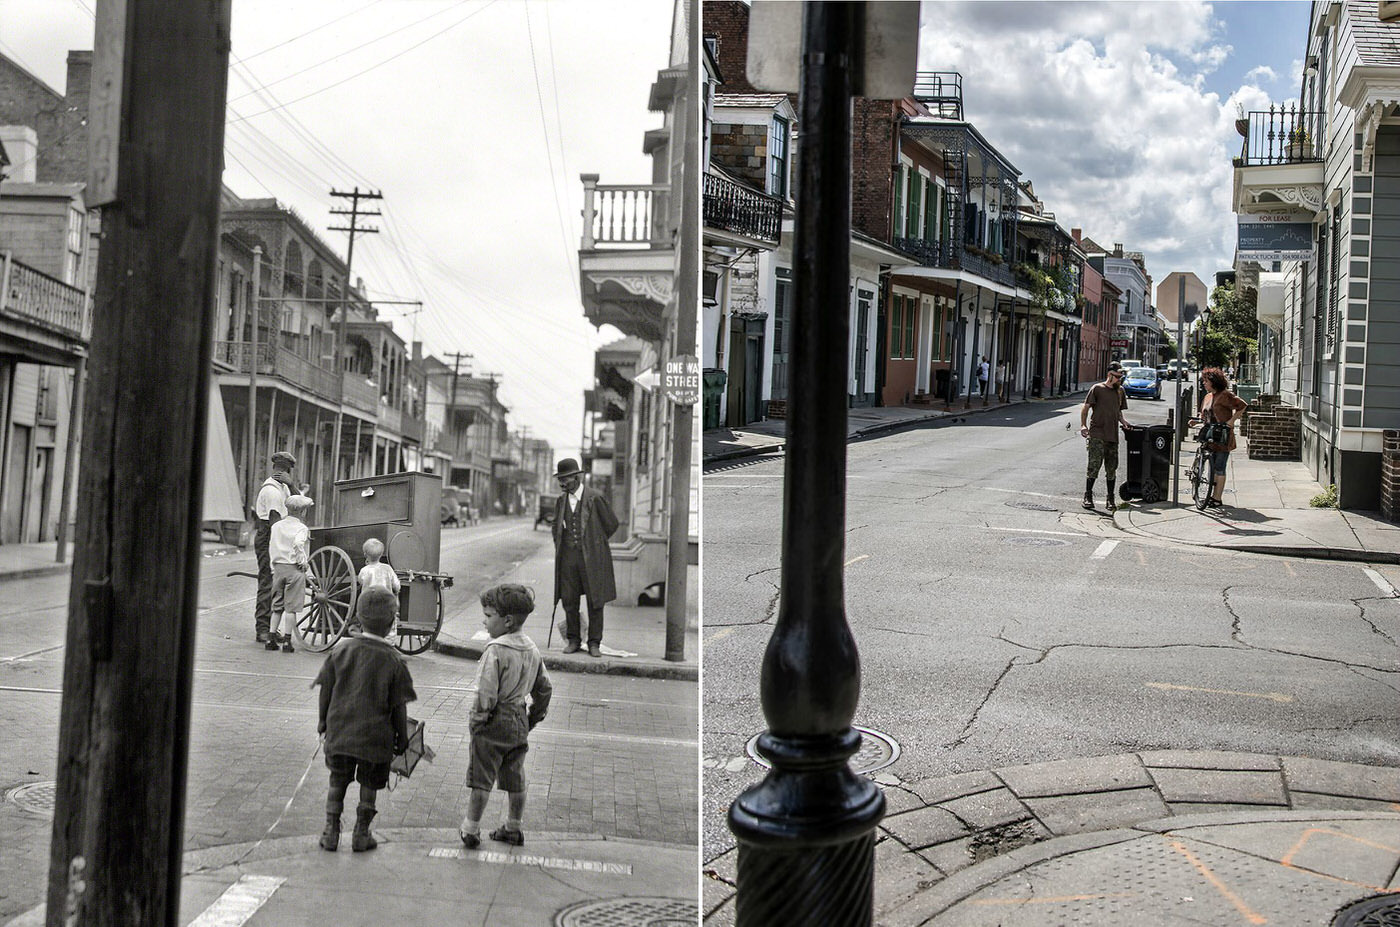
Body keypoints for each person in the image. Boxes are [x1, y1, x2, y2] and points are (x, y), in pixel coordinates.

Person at [313, 587, 416, 853]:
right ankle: (361, 833)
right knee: (369, 785)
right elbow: (398, 707)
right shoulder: (395, 661)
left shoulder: (340, 652)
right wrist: (403, 739)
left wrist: (323, 722)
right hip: (376, 739)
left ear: (357, 617)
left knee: (337, 781)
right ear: (392, 623)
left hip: (341, 732)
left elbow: (326, 690)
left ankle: (331, 832)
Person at [458, 584, 552, 849]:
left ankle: (471, 829)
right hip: (519, 717)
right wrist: (533, 717)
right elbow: (544, 687)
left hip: (494, 720)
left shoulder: (495, 650)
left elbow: (485, 692)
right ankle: (513, 827)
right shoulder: (532, 649)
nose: (484, 621)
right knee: (516, 776)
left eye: (488, 616)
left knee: (482, 777)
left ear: (507, 620)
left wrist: (477, 721)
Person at [551, 458, 619, 658]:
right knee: (569, 600)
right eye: (560, 480)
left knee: (595, 600)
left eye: (566, 479)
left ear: (577, 477)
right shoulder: (561, 501)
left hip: (593, 559)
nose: (563, 483)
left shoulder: (595, 498)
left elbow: (611, 524)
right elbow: (555, 527)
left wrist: (595, 542)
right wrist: (562, 546)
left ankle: (594, 642)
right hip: (568, 559)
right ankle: (573, 640)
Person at [253, 451, 296, 644]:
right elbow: (275, 522)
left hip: (277, 534)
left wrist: (292, 485)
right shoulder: (271, 491)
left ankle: (270, 627)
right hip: (268, 535)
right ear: (287, 469)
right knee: (267, 582)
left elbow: (300, 504)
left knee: (276, 584)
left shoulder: (284, 488)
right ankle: (262, 629)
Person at [1190, 366, 1248, 509]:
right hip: (1209, 434)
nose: (1204, 383)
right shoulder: (1207, 397)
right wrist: (1196, 421)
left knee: (1219, 467)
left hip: (1222, 436)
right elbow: (1204, 416)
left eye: (1206, 381)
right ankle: (1210, 494)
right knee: (1212, 466)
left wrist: (1231, 421)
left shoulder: (1225, 395)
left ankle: (1217, 498)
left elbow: (1242, 405)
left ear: (1213, 381)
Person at [1079, 367, 1136, 511]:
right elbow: (1085, 408)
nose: (1119, 380)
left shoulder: (1120, 391)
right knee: (1094, 466)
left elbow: (1118, 412)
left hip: (1112, 435)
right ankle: (1088, 496)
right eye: (1117, 377)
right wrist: (1083, 426)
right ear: (1109, 375)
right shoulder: (1097, 388)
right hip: (1097, 433)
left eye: (1121, 377)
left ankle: (1110, 499)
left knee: (1112, 468)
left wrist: (1124, 422)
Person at [267, 494, 313, 653]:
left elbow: (272, 547)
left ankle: (270, 638)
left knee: (277, 606)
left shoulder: (276, 526)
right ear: (303, 512)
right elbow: (299, 544)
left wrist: (273, 566)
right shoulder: (302, 528)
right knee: (291, 608)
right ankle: (287, 641)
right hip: (294, 569)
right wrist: (303, 561)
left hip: (278, 568)